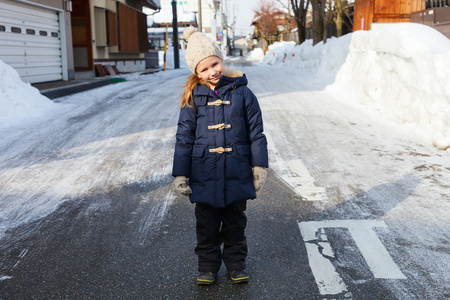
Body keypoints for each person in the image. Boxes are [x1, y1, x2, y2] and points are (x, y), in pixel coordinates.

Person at [172, 26, 268, 285]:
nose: (211, 72)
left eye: (214, 64)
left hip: (236, 170)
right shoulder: (193, 98)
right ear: (196, 73)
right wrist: (181, 173)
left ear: (221, 60)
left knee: (236, 224)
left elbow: (256, 133)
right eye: (203, 69)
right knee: (206, 226)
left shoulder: (243, 93)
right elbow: (184, 138)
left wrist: (259, 166)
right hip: (203, 172)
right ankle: (207, 267)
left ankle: (236, 265)